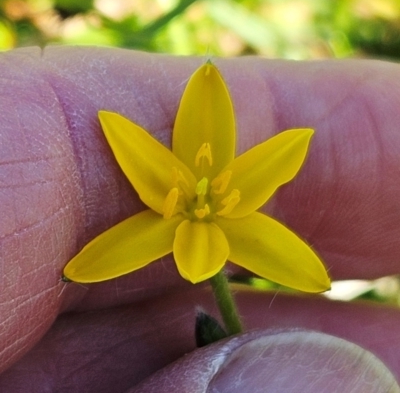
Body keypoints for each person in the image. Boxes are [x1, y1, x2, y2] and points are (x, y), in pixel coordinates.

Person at [0, 47, 399, 391]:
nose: (202, 201)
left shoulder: (249, 230)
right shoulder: (160, 224)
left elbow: (305, 269)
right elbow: (88, 265)